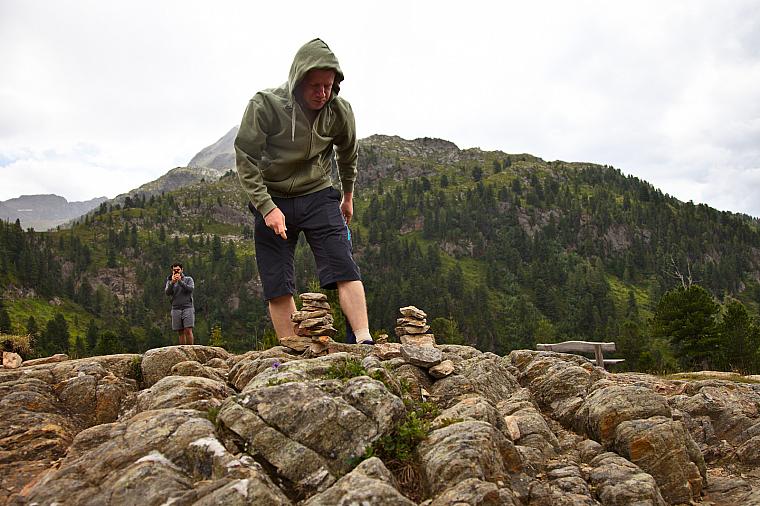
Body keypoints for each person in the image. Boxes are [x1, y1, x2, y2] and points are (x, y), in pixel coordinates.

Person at [235, 38, 373, 345]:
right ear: (298, 80)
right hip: (273, 196)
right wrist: (266, 207)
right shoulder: (265, 105)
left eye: (328, 86)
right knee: (277, 280)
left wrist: (348, 197)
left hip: (318, 193)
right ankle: (293, 348)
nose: (322, 93)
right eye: (314, 86)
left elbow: (347, 154)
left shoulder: (339, 111)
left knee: (343, 264)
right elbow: (245, 157)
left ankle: (363, 341)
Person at [164, 263, 195, 345]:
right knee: (180, 331)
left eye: (178, 270)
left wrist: (180, 281)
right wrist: (172, 283)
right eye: (174, 270)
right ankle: (182, 349)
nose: (176, 271)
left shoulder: (188, 279)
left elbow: (190, 289)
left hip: (187, 307)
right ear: (172, 271)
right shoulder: (169, 281)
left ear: (182, 270)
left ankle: (190, 348)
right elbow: (167, 292)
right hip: (176, 308)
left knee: (188, 329)